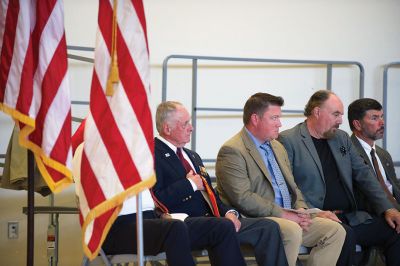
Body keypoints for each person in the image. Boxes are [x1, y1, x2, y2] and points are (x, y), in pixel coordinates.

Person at [215, 92, 346, 266]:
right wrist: (284, 214)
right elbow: (243, 198)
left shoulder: (277, 146)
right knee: (291, 230)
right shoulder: (232, 150)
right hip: (256, 219)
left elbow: (292, 187)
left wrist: (302, 210)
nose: (280, 124)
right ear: (255, 119)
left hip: (288, 215)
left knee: (335, 230)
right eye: (274, 118)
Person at [152, 101, 289, 266]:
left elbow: (212, 195)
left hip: (215, 220)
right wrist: (190, 185)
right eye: (185, 123)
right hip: (183, 226)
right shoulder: (152, 155)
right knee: (222, 227)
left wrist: (230, 212)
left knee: (268, 227)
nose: (191, 127)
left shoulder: (192, 156)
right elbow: (156, 199)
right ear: (167, 128)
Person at [279, 90, 400, 266]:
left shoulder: (341, 138)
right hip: (318, 217)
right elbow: (287, 186)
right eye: (336, 114)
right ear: (317, 112)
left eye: (341, 115)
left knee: (395, 230)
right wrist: (313, 212)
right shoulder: (289, 140)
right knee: (345, 236)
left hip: (350, 216)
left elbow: (364, 176)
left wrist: (388, 209)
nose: (341, 121)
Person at [72, 146, 247, 266]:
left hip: (150, 220)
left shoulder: (132, 149)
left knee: (221, 226)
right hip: (112, 226)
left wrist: (161, 214)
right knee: (174, 229)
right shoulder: (91, 148)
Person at [348, 98, 400, 210]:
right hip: (375, 214)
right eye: (374, 118)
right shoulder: (348, 153)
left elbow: (395, 188)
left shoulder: (383, 154)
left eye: (382, 116)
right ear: (357, 124)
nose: (382, 122)